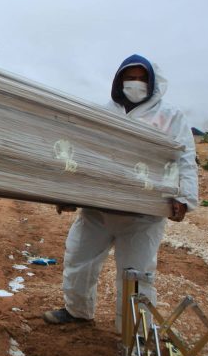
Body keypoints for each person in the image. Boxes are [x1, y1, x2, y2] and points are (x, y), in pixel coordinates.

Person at [43, 54, 198, 331]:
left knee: (136, 274)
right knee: (79, 259)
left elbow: (184, 158)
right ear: (119, 80)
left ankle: (133, 332)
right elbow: (81, 154)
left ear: (151, 83)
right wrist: (65, 192)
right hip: (97, 210)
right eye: (130, 78)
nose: (135, 83)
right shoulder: (102, 112)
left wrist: (184, 197)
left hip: (143, 216)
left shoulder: (170, 116)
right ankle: (77, 310)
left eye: (142, 78)